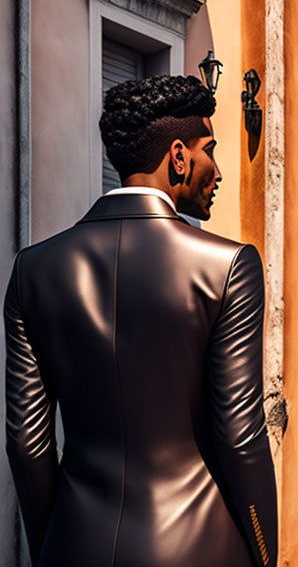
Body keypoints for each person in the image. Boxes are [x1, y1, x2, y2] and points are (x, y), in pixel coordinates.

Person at [4, 75, 277, 567]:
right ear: (178, 156)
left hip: (72, 545)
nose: (216, 170)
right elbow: (240, 435)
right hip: (203, 548)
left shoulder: (32, 270)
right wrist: (263, 551)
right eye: (209, 150)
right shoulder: (228, 265)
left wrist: (54, 544)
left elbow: (26, 442)